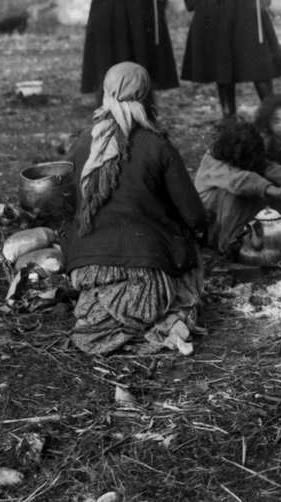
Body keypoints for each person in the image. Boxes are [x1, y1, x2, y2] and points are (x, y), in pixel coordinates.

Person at [60, 62, 206, 356]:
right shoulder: (157, 145)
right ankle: (156, 320)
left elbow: (67, 205)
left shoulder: (83, 143)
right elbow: (194, 215)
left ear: (105, 93)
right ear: (147, 96)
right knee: (187, 263)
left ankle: (107, 316)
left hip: (86, 269)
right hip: (148, 273)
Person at [194, 119, 281, 258]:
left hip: (233, 216)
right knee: (237, 195)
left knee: (261, 183)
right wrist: (274, 190)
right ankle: (231, 244)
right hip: (212, 225)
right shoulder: (213, 162)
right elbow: (239, 180)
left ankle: (271, 237)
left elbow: (268, 166)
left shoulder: (240, 156)